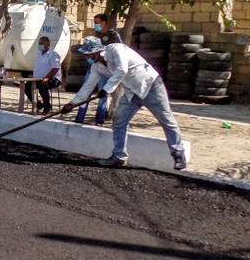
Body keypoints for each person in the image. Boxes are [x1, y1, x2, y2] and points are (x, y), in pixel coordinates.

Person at [62, 37, 187, 170]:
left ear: (97, 52)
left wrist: (107, 89)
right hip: (130, 93)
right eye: (85, 54)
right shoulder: (96, 66)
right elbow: (88, 85)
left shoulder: (116, 49)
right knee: (119, 121)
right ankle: (119, 157)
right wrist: (72, 103)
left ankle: (178, 154)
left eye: (88, 54)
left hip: (150, 86)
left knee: (166, 120)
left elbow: (122, 69)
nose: (86, 57)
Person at [75, 13, 123, 126]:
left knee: (103, 93)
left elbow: (119, 51)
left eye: (96, 23)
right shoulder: (96, 35)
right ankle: (79, 118)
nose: (95, 25)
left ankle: (99, 121)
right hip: (96, 66)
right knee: (86, 89)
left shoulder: (113, 35)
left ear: (103, 23)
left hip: (106, 68)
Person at [29, 36, 62, 115]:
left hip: (53, 79)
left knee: (43, 87)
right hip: (39, 78)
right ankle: (38, 104)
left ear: (47, 44)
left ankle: (47, 107)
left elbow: (55, 68)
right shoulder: (40, 54)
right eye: (39, 43)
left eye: (41, 43)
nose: (39, 45)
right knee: (27, 87)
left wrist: (47, 77)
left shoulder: (53, 54)